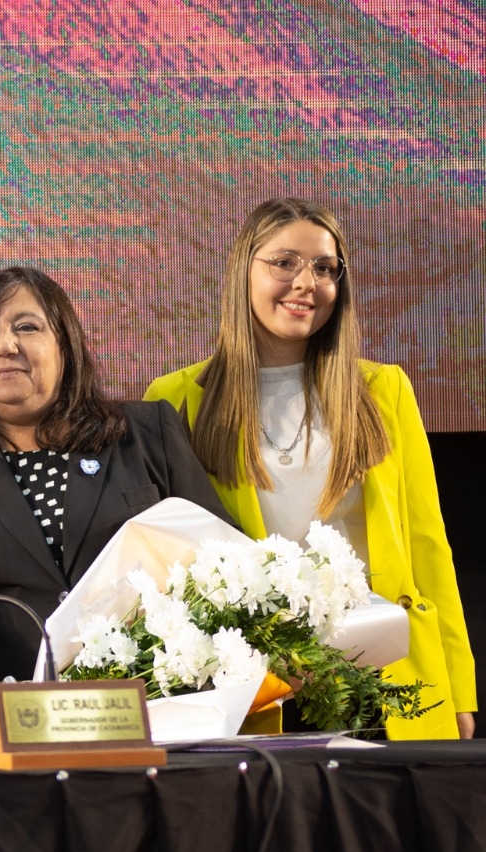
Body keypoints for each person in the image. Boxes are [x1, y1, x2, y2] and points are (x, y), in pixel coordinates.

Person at [145, 198, 476, 740]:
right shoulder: (176, 399)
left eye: (324, 268)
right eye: (284, 263)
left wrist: (459, 689)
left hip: (381, 681)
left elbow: (428, 547)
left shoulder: (384, 390)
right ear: (243, 271)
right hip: (250, 691)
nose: (306, 282)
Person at [0, 266, 232, 750]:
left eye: (26, 327)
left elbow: (224, 563)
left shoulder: (147, 433)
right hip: (4, 730)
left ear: (66, 345)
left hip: (158, 716)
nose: (4, 345)